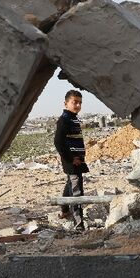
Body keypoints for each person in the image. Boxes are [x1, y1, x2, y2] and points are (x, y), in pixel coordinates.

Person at [54, 89, 89, 231]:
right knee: (77, 192)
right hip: (72, 162)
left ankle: (64, 209)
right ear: (66, 103)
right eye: (75, 102)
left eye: (80, 103)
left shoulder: (73, 118)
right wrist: (70, 159)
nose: (78, 105)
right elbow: (58, 142)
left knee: (71, 184)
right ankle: (78, 225)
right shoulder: (64, 119)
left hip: (77, 161)